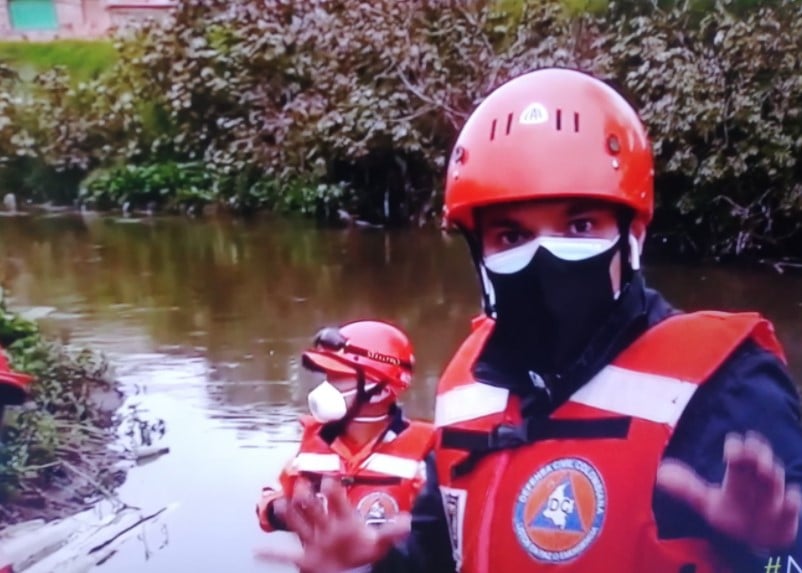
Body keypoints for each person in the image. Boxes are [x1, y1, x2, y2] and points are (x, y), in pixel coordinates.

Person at [259, 68, 802, 572]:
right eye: (512, 236)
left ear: (631, 237)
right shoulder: (467, 387)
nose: (545, 258)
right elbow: (441, 546)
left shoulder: (725, 385)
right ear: (481, 253)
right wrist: (373, 558)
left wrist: (768, 553)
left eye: (580, 224)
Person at [256, 320, 435, 534]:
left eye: (339, 378)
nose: (325, 388)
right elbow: (271, 496)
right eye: (328, 377)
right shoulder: (315, 441)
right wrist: (282, 510)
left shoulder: (424, 452)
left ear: (381, 390)